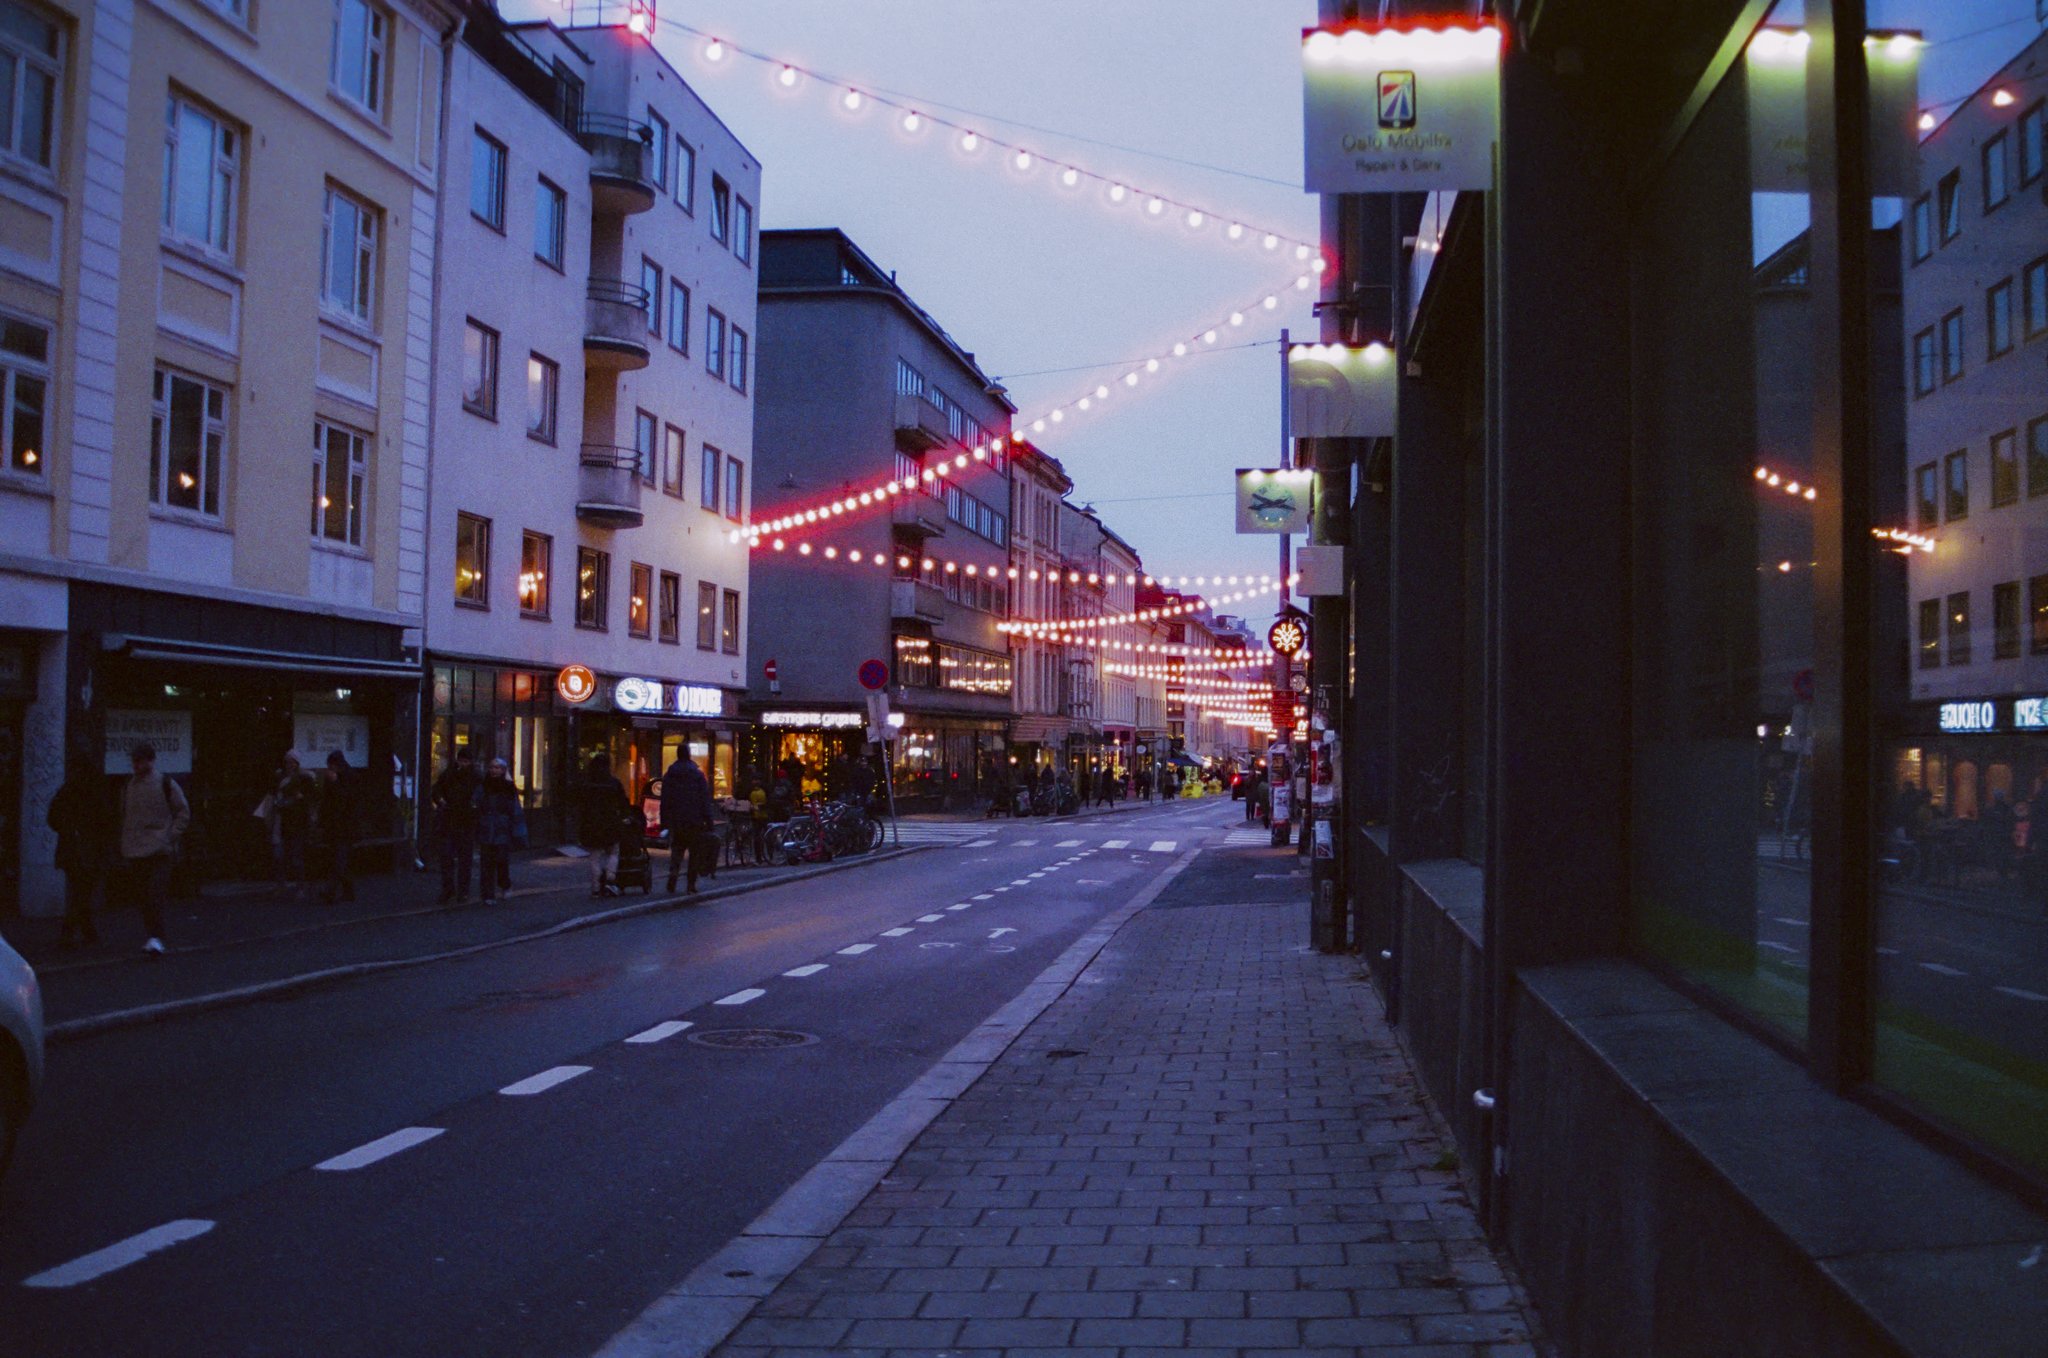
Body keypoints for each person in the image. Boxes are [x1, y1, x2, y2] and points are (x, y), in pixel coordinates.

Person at [116, 742, 188, 955]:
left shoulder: (165, 783)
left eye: (139, 761)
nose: (135, 765)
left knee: (154, 893)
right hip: (136, 849)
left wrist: (170, 836)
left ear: (150, 761)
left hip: (158, 850)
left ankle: (156, 936)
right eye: (134, 761)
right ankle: (153, 935)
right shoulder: (129, 786)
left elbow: (183, 811)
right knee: (144, 896)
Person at [46, 757, 103, 948]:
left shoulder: (66, 791)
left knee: (78, 890)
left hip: (71, 848)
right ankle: (74, 931)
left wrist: (67, 830)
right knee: (83, 891)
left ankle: (84, 930)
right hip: (89, 848)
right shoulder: (94, 792)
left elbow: (52, 818)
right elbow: (106, 820)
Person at [430, 748, 481, 904]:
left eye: (466, 761)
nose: (463, 764)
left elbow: (479, 797)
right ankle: (452, 889)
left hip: (462, 821)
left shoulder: (473, 777)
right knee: (449, 858)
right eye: (461, 761)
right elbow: (437, 789)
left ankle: (459, 891)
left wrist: (441, 801)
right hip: (454, 820)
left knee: (461, 859)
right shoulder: (451, 774)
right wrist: (440, 800)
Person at [474, 758, 526, 904]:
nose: (494, 770)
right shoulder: (483, 786)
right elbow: (476, 803)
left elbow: (515, 809)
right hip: (486, 828)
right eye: (492, 767)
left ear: (503, 770)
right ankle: (488, 894)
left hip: (502, 829)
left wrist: (517, 830)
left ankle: (504, 884)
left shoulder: (509, 787)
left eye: (497, 768)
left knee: (502, 860)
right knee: (486, 863)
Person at [661, 752, 714, 894]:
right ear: (689, 755)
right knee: (694, 853)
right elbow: (705, 799)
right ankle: (691, 884)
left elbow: (665, 799)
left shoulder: (670, 775)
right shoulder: (697, 775)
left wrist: (664, 822)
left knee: (677, 850)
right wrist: (709, 820)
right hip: (695, 819)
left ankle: (672, 878)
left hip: (676, 819)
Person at [579, 754, 630, 897]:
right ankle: (610, 880)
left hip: (591, 823)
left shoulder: (588, 783)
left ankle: (595, 888)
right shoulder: (613, 783)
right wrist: (626, 816)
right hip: (610, 822)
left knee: (594, 856)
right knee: (613, 851)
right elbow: (623, 802)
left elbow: (580, 802)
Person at [271, 753, 317, 900]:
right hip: (281, 822)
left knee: (296, 857)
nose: (289, 765)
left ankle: (300, 887)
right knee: (279, 857)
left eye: (292, 762)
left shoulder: (303, 779)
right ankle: (282, 885)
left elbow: (308, 799)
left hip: (296, 823)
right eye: (287, 762)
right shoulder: (279, 778)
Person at [319, 751, 361, 904]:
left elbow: (346, 800)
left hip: (345, 826)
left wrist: (335, 783)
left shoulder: (349, 778)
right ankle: (348, 891)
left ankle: (330, 891)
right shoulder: (343, 777)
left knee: (339, 858)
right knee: (341, 858)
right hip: (337, 825)